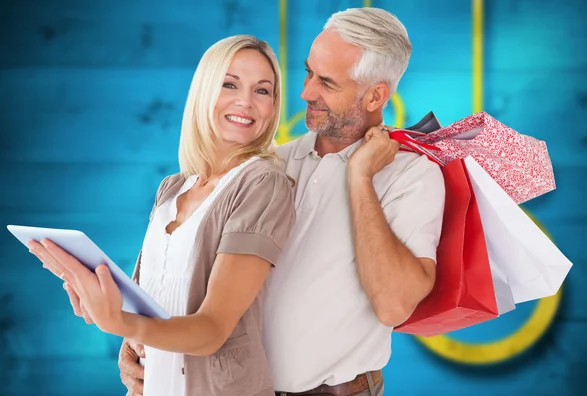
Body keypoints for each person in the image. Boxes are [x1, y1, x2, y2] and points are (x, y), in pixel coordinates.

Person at [119, 8, 445, 396]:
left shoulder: (413, 176)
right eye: (308, 72)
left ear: (375, 95)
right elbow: (193, 280)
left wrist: (360, 179)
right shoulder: (272, 163)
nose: (306, 92)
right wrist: (146, 347)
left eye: (326, 82)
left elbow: (394, 306)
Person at [28, 35, 296, 396]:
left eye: (262, 91)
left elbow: (212, 330)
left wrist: (122, 322)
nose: (245, 101)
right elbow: (148, 307)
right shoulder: (172, 188)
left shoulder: (263, 183)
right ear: (203, 90)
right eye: (229, 84)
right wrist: (99, 301)